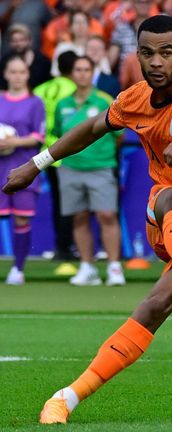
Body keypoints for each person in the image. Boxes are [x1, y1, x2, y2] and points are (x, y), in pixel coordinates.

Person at [3, 15, 172, 424]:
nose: (156, 62)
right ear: (137, 55)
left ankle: (66, 398)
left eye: (166, 52)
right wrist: (37, 162)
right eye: (148, 53)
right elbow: (92, 129)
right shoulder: (133, 98)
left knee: (153, 306)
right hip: (169, 213)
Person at [53, 55, 125, 286]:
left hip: (101, 166)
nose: (82, 73)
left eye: (86, 69)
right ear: (72, 74)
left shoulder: (104, 101)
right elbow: (58, 134)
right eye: (78, 69)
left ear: (92, 73)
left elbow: (118, 136)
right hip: (70, 167)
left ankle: (114, 267)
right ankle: (87, 267)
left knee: (107, 215)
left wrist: (100, 154)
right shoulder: (62, 104)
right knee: (79, 218)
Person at [0, 56, 46, 285]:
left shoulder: (35, 102)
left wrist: (13, 143)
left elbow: (39, 137)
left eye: (21, 72)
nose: (17, 76)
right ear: (6, 74)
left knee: (21, 219)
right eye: (13, 72)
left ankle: (17, 269)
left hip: (23, 169)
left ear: (27, 75)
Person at [34, 51, 79, 269]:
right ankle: (66, 247)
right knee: (70, 204)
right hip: (66, 153)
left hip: (44, 153)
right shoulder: (73, 90)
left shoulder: (41, 89)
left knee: (57, 203)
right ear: (73, 69)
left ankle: (61, 246)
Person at [0, 23, 51, 91]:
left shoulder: (43, 61)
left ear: (30, 41)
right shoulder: (5, 61)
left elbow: (48, 84)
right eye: (14, 41)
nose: (18, 44)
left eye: (22, 40)